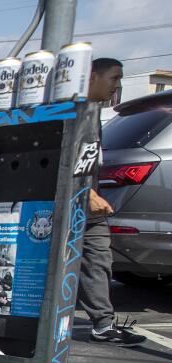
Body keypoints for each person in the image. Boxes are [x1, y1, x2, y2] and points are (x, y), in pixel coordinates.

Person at [78, 57, 145, 345]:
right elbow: (63, 158)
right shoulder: (75, 112)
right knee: (48, 266)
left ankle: (103, 326)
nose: (117, 86)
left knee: (99, 261)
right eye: (114, 78)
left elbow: (89, 161)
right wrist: (86, 193)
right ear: (92, 77)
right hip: (69, 204)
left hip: (90, 209)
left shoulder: (94, 113)